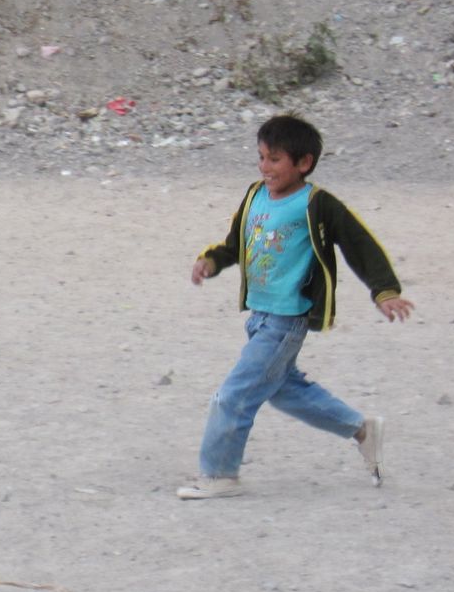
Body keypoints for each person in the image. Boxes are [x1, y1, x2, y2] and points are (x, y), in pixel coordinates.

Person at [177, 114, 414, 500]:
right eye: (261, 157)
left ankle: (219, 474)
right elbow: (236, 243)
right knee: (283, 389)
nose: (264, 167)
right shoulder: (255, 195)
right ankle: (362, 430)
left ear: (304, 163)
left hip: (287, 321)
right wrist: (212, 261)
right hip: (259, 315)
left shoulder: (317, 205)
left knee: (234, 395)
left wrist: (384, 291)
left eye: (275, 159)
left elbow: (360, 244)